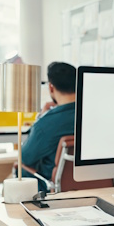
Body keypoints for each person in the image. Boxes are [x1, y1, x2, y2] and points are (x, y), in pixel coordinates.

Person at [20, 62, 76, 192]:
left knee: (20, 166)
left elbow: (24, 158)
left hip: (54, 191)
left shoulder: (46, 124)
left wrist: (41, 117)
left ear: (51, 87)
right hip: (93, 187)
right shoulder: (92, 114)